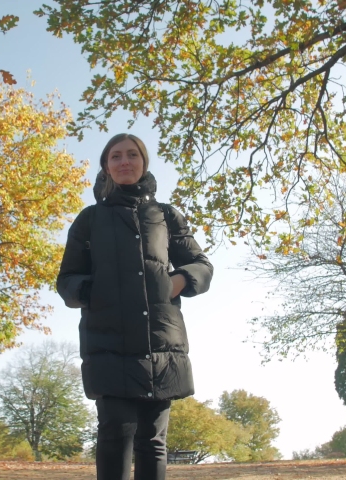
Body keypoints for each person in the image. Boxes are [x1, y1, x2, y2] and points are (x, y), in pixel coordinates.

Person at [57, 133, 213, 480]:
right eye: (115, 157)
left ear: (143, 163)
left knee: (153, 442)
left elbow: (202, 264)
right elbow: (66, 280)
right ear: (106, 167)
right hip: (108, 342)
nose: (124, 162)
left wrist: (178, 281)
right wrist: (94, 292)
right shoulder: (89, 220)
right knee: (114, 434)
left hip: (161, 342)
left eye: (132, 155)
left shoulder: (166, 216)